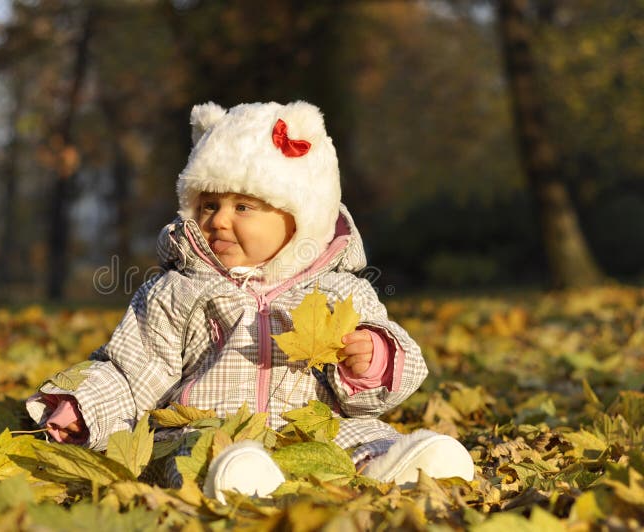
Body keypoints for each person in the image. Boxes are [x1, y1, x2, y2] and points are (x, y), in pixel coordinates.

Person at [26, 101, 474, 502]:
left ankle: (395, 468)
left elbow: (379, 388)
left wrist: (371, 359)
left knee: (360, 435)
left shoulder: (341, 291)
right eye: (208, 205)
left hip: (309, 430)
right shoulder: (176, 291)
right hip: (208, 428)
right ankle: (237, 479)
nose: (218, 220)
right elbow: (131, 372)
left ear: (300, 218)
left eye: (243, 207)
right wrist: (85, 406)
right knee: (186, 450)